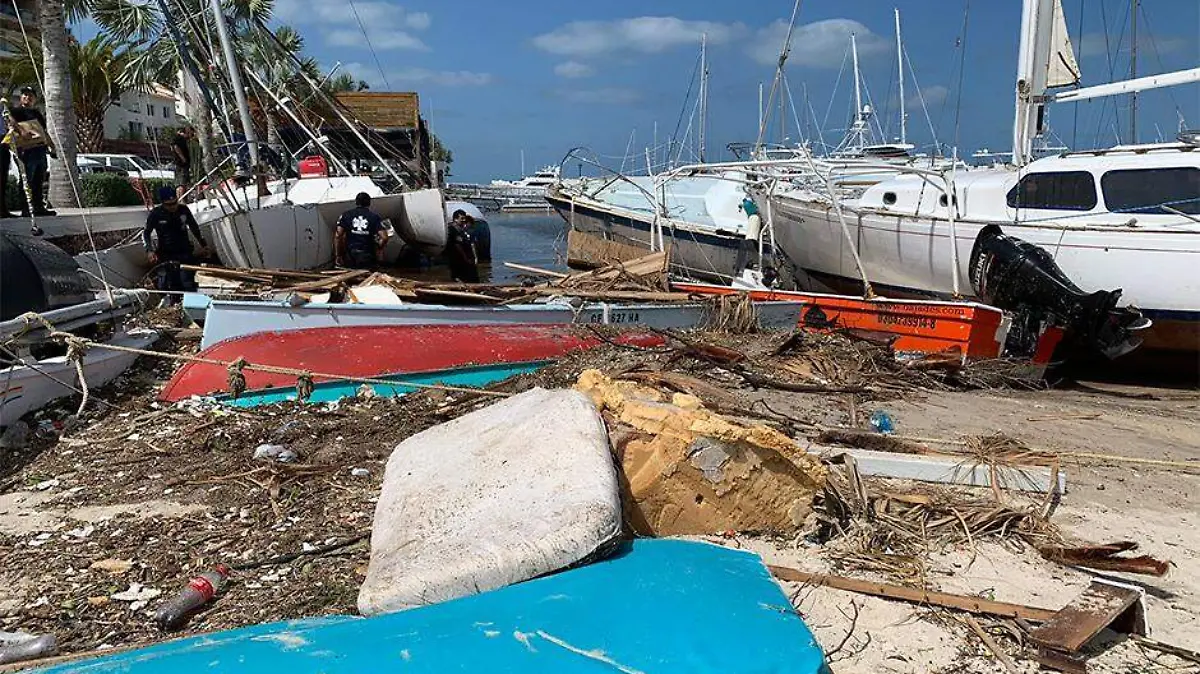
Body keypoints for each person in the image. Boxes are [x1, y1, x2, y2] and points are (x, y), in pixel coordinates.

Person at [143, 185, 207, 303]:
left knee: (187, 282)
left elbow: (194, 227)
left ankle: (193, 307)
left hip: (184, 252)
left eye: (175, 203)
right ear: (163, 203)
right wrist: (149, 250)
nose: (173, 207)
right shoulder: (156, 214)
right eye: (169, 205)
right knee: (170, 285)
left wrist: (203, 244)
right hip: (166, 254)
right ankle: (174, 305)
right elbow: (146, 233)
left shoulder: (183, 210)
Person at [9, 87, 55, 216]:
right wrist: (22, 131)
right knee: (26, 179)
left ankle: (39, 207)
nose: (27, 97)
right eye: (25, 95)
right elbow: (9, 120)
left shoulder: (36, 113)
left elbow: (43, 131)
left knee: (38, 180)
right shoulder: (16, 111)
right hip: (25, 151)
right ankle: (26, 209)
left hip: (40, 149)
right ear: (21, 97)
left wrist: (52, 146)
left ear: (34, 99)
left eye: (30, 96)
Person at [334, 192, 389, 269]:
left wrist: (338, 255)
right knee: (367, 278)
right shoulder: (374, 217)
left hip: (350, 254)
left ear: (356, 202)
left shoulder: (346, 215)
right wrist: (378, 248)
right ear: (369, 203)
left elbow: (338, 235)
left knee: (351, 278)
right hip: (367, 255)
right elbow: (384, 237)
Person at [446, 210, 480, 283]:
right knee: (459, 278)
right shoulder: (452, 230)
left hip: (465, 259)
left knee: (471, 278)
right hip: (458, 259)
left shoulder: (462, 230)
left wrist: (473, 257)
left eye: (464, 218)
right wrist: (465, 258)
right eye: (461, 218)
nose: (464, 220)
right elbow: (457, 245)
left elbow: (470, 243)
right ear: (455, 219)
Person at [172, 126, 195, 199]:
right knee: (182, 183)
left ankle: (179, 199)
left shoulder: (180, 139)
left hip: (179, 163)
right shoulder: (179, 138)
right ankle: (182, 200)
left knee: (179, 184)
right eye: (190, 134)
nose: (190, 136)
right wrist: (183, 158)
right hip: (182, 163)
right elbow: (175, 147)